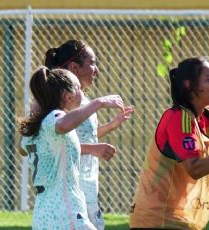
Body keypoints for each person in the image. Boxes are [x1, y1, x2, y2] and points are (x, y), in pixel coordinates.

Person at [129, 57, 209, 230]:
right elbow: (195, 169)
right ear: (188, 85)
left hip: (184, 222)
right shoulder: (178, 118)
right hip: (158, 220)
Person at [19, 67, 124, 229]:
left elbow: (23, 148)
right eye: (79, 88)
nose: (83, 92)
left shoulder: (35, 127)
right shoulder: (55, 117)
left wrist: (92, 148)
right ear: (68, 96)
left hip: (42, 214)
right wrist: (99, 102)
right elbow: (63, 124)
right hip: (65, 210)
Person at [44, 39, 134, 229]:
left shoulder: (82, 99)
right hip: (68, 188)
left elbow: (81, 139)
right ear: (74, 67)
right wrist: (94, 149)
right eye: (92, 63)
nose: (97, 70)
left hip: (87, 186)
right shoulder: (62, 103)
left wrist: (111, 125)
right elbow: (57, 144)